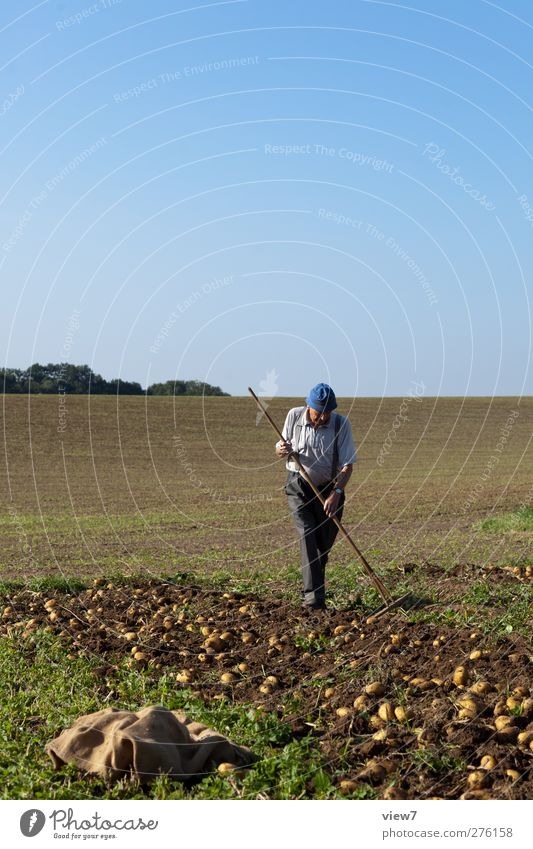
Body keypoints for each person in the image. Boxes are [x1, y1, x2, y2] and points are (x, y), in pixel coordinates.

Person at [275, 383, 356, 611]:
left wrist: (336, 493)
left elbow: (348, 465)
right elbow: (280, 448)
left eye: (326, 413)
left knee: (323, 545)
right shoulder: (294, 416)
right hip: (298, 486)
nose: (321, 417)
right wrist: (281, 450)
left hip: (330, 490)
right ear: (308, 405)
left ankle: (313, 589)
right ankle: (314, 601)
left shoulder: (341, 424)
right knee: (307, 534)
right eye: (317, 412)